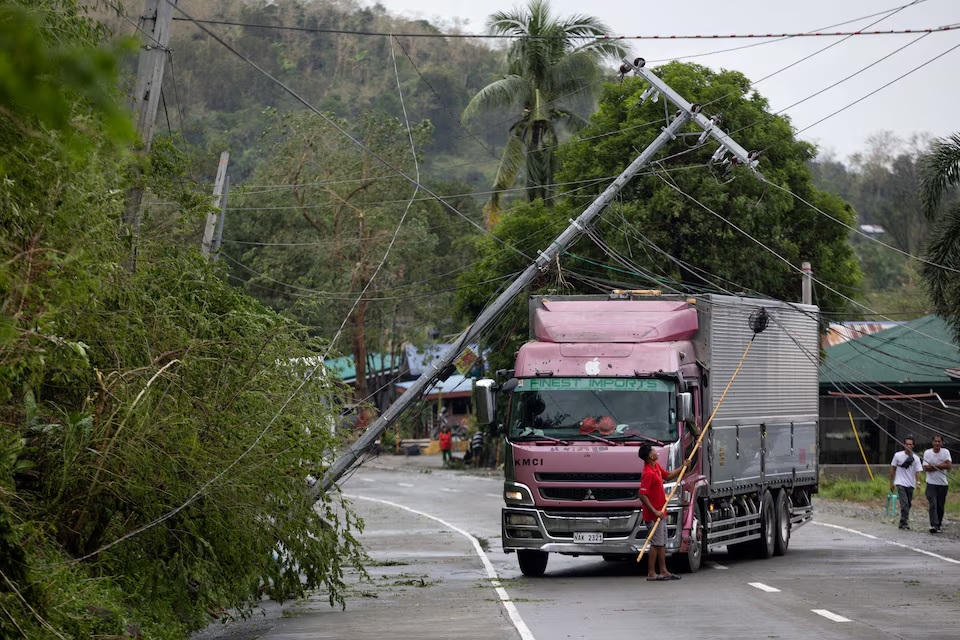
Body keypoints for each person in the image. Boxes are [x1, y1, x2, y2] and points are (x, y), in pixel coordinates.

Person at [637, 443, 683, 581]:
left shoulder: (655, 467)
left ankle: (663, 570)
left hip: (661, 512)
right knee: (656, 544)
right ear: (650, 456)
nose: (657, 452)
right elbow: (642, 495)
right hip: (653, 515)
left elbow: (668, 476)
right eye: (654, 451)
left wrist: (683, 468)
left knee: (661, 543)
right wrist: (654, 511)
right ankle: (651, 572)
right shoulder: (648, 473)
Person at [889, 436, 922, 530]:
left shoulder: (916, 458)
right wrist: (891, 483)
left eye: (910, 444)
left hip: (910, 484)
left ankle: (903, 522)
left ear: (913, 446)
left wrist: (918, 483)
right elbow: (893, 469)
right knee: (904, 504)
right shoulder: (897, 455)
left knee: (908, 504)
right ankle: (904, 522)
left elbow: (917, 471)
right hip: (900, 482)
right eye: (907, 444)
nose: (908, 446)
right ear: (904, 445)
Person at [922, 435, 952, 533]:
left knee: (940, 505)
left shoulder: (945, 452)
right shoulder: (927, 453)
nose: (937, 443)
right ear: (932, 442)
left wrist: (934, 466)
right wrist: (941, 465)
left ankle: (938, 524)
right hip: (930, 483)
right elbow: (925, 468)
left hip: (943, 484)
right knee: (933, 504)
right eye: (935, 441)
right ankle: (934, 525)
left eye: (939, 442)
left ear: (942, 443)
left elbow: (949, 466)